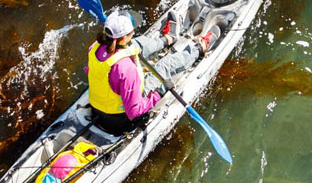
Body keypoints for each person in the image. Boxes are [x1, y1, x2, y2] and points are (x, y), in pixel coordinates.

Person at [87, 9, 219, 136]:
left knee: (136, 43)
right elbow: (134, 111)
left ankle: (169, 39)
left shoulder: (95, 47)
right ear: (123, 38)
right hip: (121, 120)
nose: (133, 32)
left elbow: (91, 71)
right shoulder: (126, 68)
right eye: (131, 31)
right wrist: (158, 93)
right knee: (163, 66)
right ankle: (199, 49)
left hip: (97, 109)